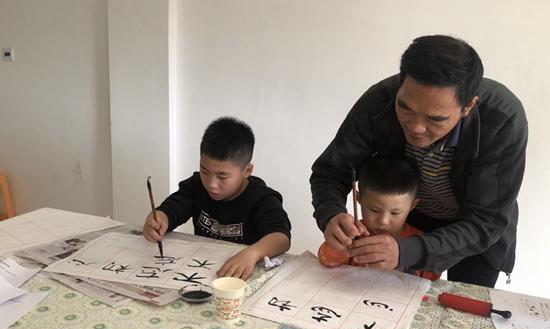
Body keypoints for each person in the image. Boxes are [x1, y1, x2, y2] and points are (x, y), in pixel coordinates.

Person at [310, 34, 527, 288]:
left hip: (473, 230)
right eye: (405, 109)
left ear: (468, 106)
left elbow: (485, 221)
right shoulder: (380, 100)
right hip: (406, 217)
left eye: (435, 119)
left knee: (464, 302)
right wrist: (331, 213)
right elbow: (331, 171)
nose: (415, 128)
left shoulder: (502, 120)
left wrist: (406, 251)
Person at [143, 116, 291, 280]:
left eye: (222, 176)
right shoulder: (196, 187)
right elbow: (173, 208)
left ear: (247, 171)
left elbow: (281, 238)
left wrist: (252, 254)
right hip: (202, 271)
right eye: (204, 171)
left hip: (242, 277)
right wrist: (160, 218)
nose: (211, 184)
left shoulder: (262, 198)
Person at [318, 154, 440, 281]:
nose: (383, 221)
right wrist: (340, 244)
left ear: (412, 205)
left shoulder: (419, 242)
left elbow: (430, 281)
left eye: (395, 213)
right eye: (374, 210)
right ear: (358, 199)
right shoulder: (352, 234)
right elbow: (327, 261)